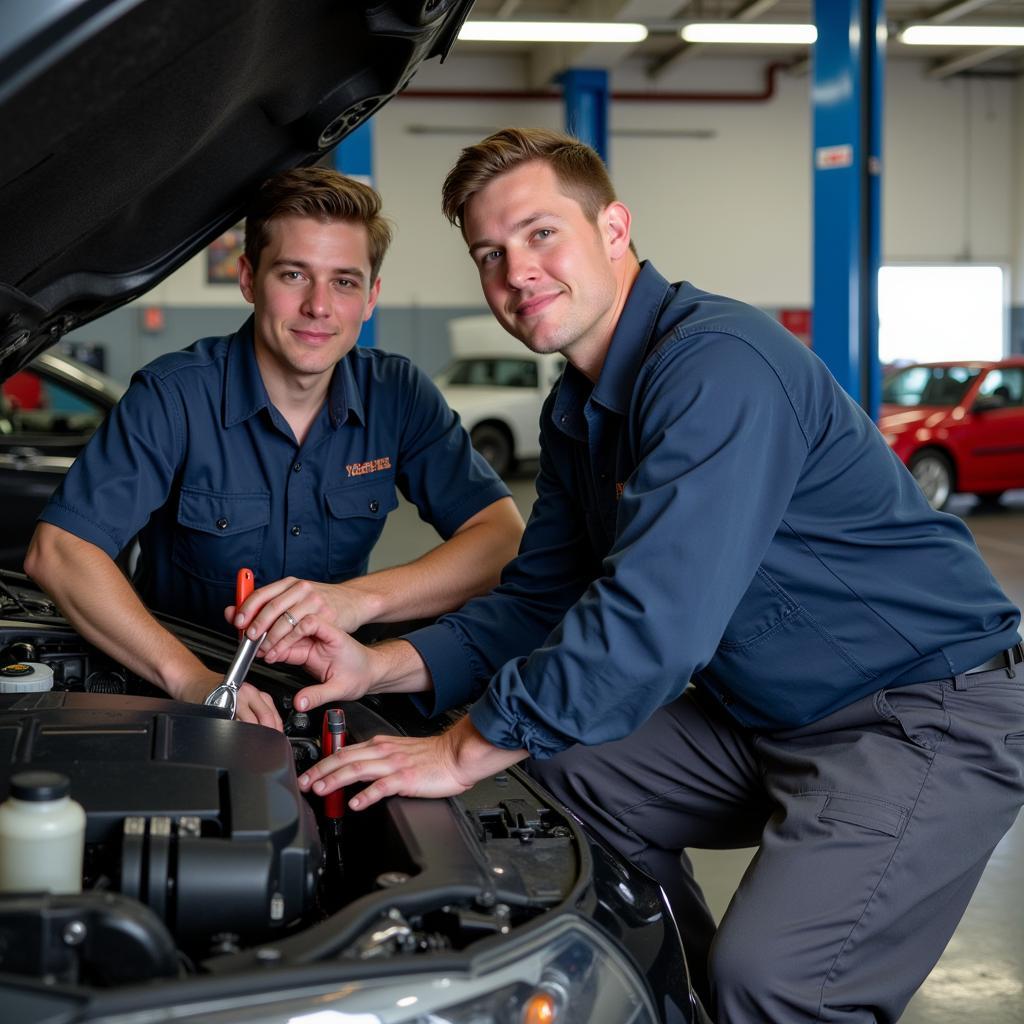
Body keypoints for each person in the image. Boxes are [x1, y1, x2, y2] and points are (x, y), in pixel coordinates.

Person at [247, 130, 1023, 1022]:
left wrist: (460, 749)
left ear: (614, 228)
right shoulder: (579, 409)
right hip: (768, 712)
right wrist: (376, 664)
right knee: (564, 777)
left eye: (542, 234)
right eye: (490, 254)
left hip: (920, 711)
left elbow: (654, 623)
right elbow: (538, 599)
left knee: (774, 980)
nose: (517, 273)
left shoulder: (715, 367)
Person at [24, 167, 523, 730]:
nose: (319, 306)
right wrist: (188, 677)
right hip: (185, 692)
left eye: (345, 281)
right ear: (248, 278)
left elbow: (501, 538)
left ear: (371, 297)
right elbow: (61, 551)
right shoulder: (174, 395)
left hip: (335, 687)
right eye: (293, 274)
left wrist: (357, 601)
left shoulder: (399, 396)